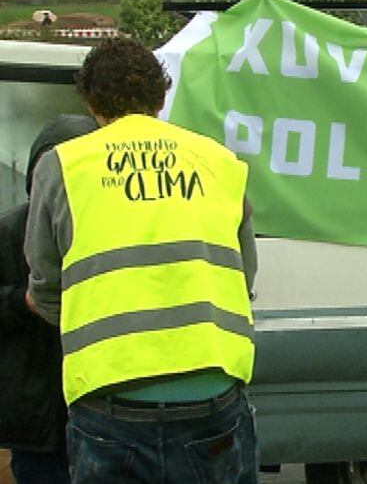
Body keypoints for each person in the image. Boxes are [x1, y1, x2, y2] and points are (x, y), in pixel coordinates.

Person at [24, 37, 260, 484]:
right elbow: (241, 275)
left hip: (110, 402)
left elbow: (46, 287)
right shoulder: (220, 162)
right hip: (211, 397)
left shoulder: (62, 166)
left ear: (90, 100)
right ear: (161, 96)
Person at [1, 115, 97, 484]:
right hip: (37, 413)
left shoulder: (108, 232)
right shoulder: (9, 230)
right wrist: (21, 302)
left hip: (99, 410)